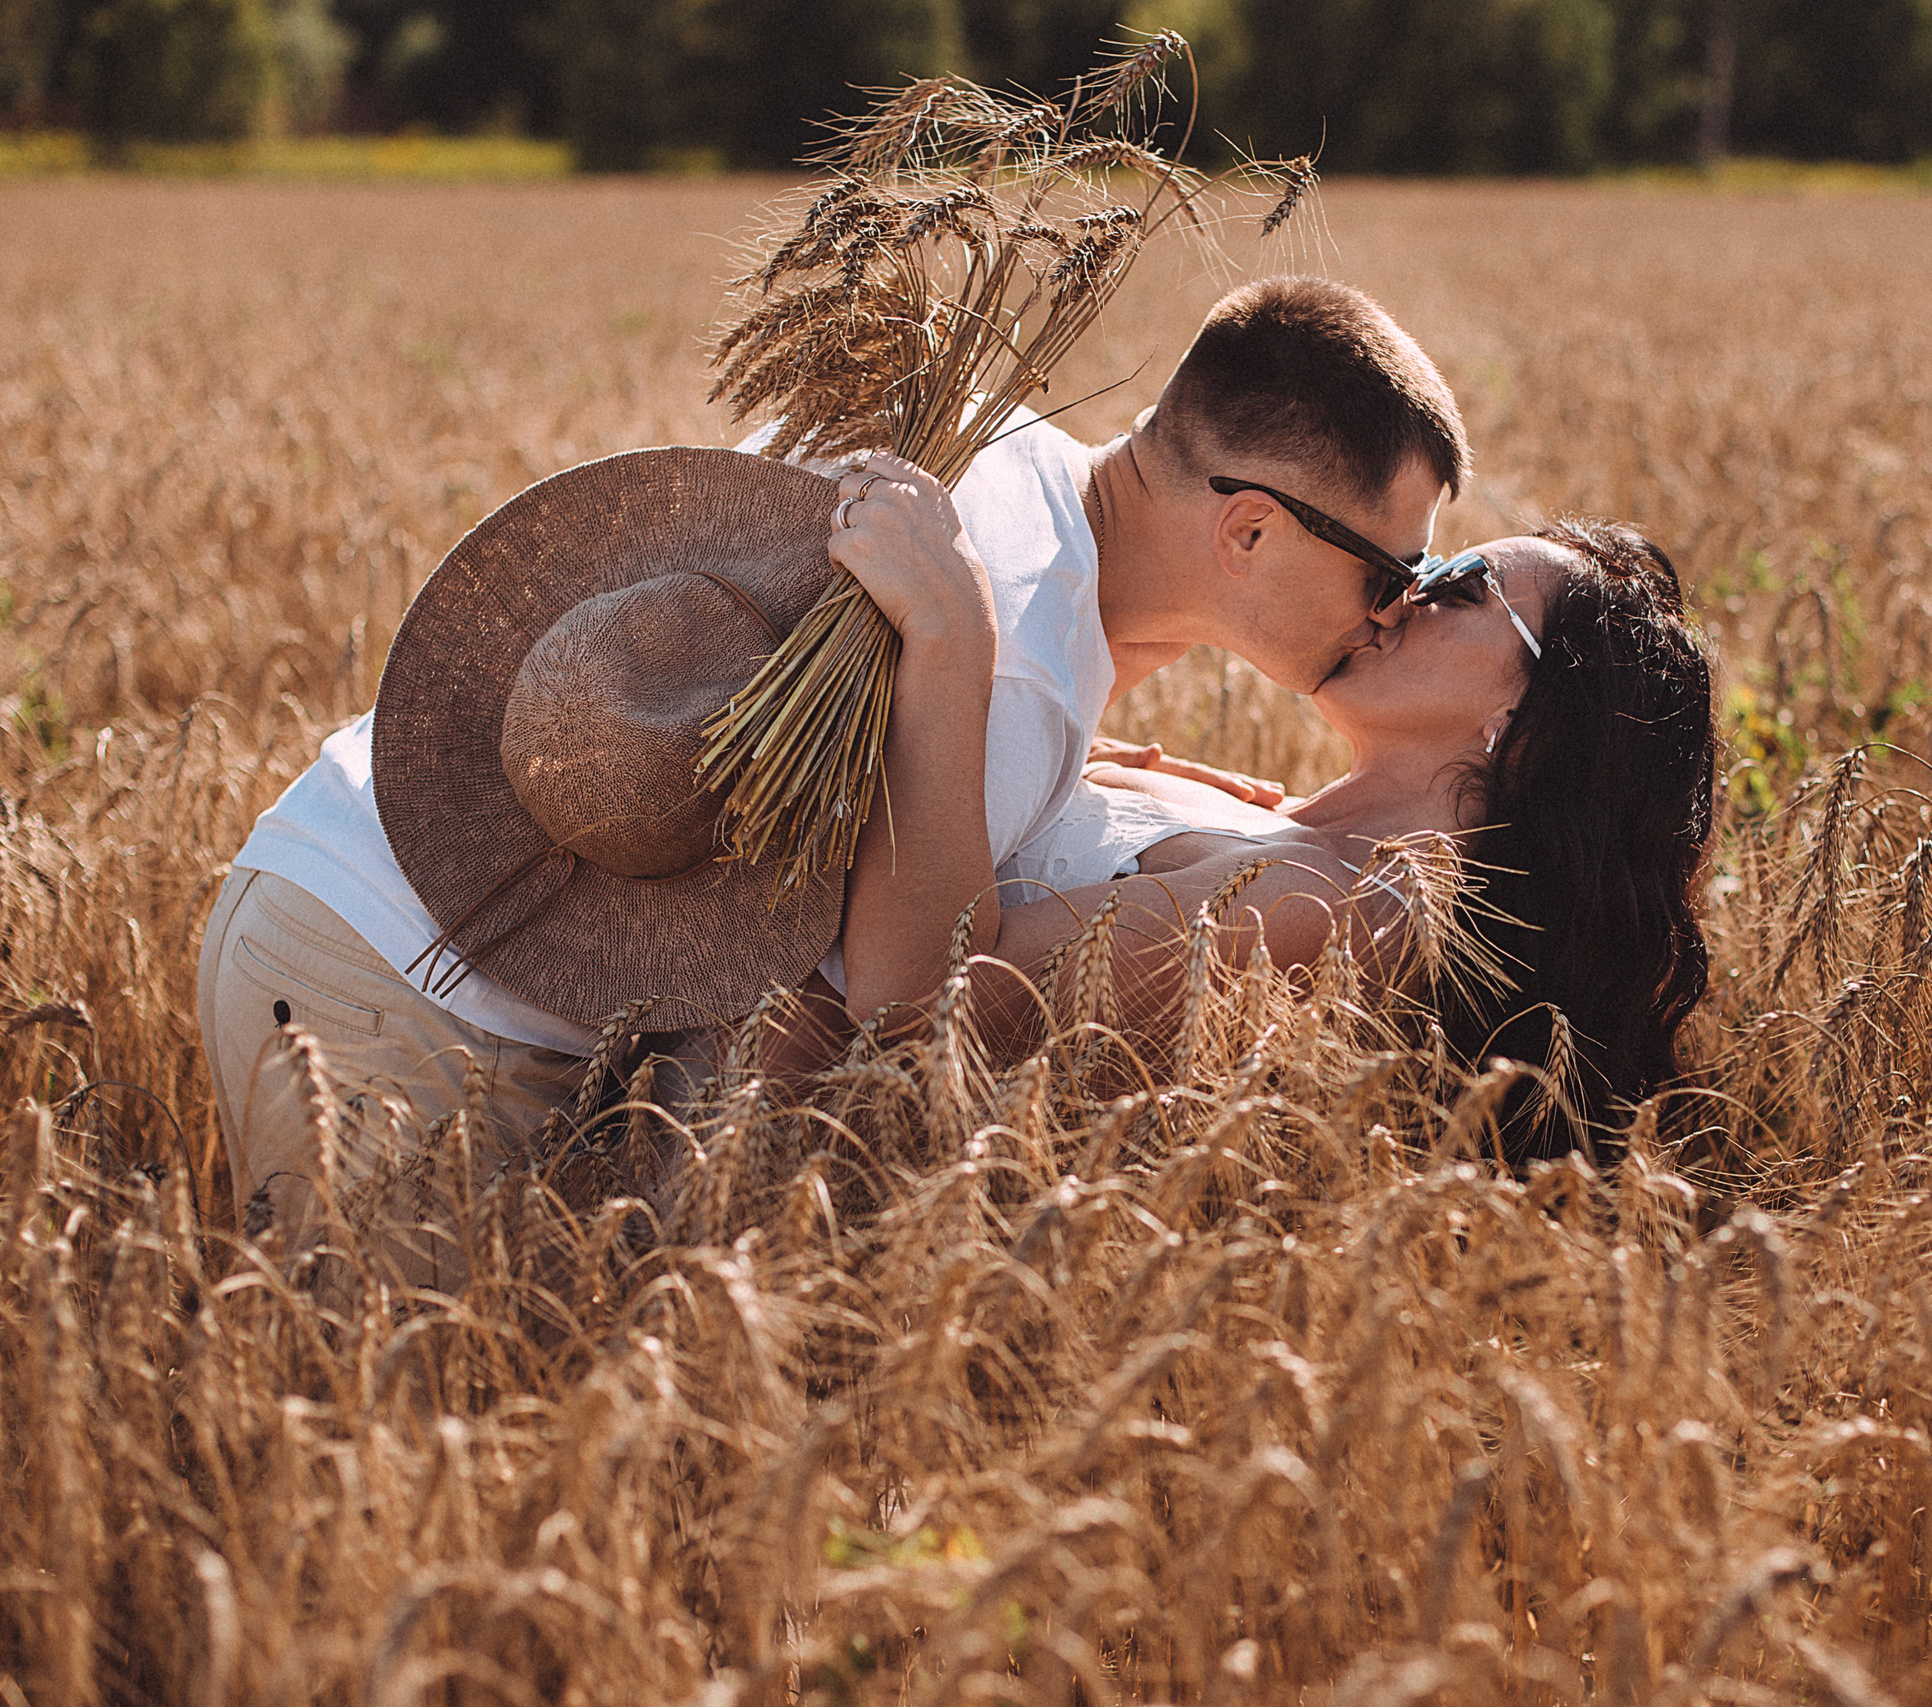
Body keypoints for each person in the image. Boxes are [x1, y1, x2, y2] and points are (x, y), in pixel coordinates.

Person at [197, 276, 1470, 1268]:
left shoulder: (993, 454)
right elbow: (898, 1003)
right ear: (1247, 528)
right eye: (1388, 572)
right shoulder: (995, 656)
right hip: (402, 1003)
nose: (1391, 613)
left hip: (351, 895)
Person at [811, 478, 1720, 1147]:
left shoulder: (1325, 911)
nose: (1404, 589)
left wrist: (950, 636)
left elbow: (920, 1013)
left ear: (1527, 726)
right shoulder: (1276, 821)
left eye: (1464, 583)